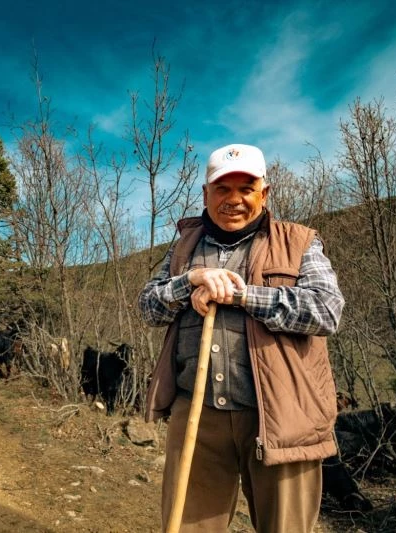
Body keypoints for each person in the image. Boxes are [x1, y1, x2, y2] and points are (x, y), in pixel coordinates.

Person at [138, 144, 345, 532]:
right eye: (222, 189)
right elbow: (149, 306)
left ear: (264, 194)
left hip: (282, 417)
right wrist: (188, 283)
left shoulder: (299, 242)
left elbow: (326, 311)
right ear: (205, 194)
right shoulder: (184, 245)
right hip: (197, 417)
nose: (234, 200)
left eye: (246, 189)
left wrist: (242, 295)